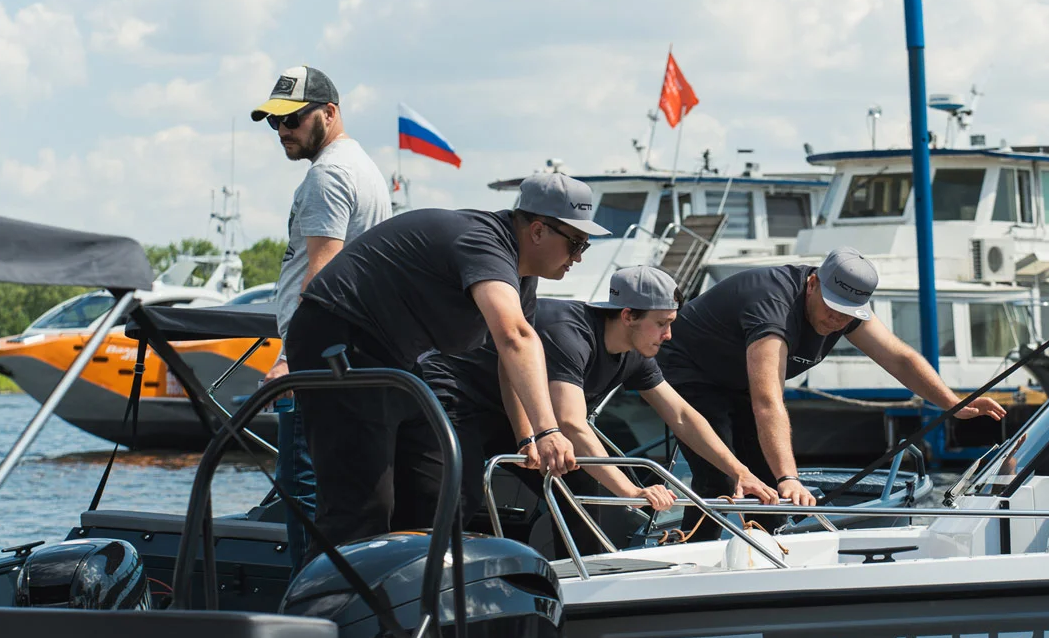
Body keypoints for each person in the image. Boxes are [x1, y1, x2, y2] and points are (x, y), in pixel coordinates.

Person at [284, 172, 609, 558]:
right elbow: (515, 336)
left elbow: (510, 360)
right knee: (361, 506)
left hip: (394, 357)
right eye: (576, 243)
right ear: (537, 231)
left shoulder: (520, 276)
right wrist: (549, 429)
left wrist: (528, 437)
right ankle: (330, 609)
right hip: (338, 338)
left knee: (441, 489)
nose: (579, 257)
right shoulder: (483, 241)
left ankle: (414, 593)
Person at [422, 265, 779, 555]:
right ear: (628, 316)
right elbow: (571, 426)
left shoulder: (636, 354)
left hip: (518, 417)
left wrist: (740, 471)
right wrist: (631, 491)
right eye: (662, 323)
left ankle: (578, 587)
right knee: (460, 494)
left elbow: (682, 416)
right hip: (459, 397)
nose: (669, 335)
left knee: (584, 488)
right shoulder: (569, 334)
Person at [657, 247, 1006, 538]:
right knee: (722, 474)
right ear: (812, 284)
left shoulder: (845, 310)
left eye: (847, 314)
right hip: (690, 370)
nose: (837, 321)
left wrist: (953, 402)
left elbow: (899, 358)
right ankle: (682, 554)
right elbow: (768, 402)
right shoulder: (773, 307)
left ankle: (770, 554)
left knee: (768, 483)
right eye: (832, 308)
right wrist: (790, 477)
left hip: (737, 380)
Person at [250, 64, 392, 570]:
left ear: (329, 113)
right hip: (346, 362)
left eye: (292, 120)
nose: (282, 132)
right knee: (338, 505)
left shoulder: (327, 175)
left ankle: (306, 616)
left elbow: (322, 280)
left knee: (306, 504)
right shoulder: (362, 167)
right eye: (274, 123)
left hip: (316, 368)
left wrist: (291, 359)